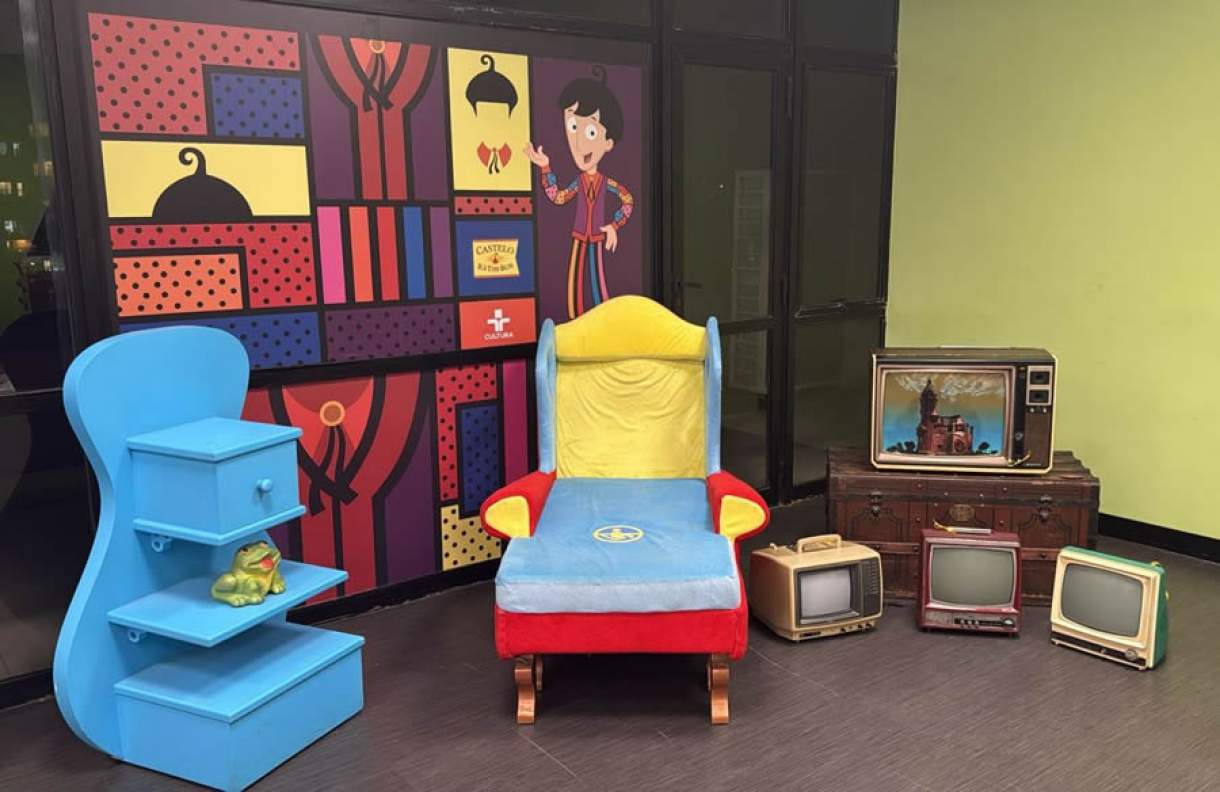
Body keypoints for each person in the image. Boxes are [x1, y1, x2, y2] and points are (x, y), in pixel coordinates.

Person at [525, 66, 634, 318]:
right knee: (574, 284)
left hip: (596, 236)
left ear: (608, 143)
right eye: (573, 127)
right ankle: (575, 324)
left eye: (591, 132)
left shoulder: (607, 183)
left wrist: (614, 225)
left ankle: (603, 324)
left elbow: (627, 199)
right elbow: (558, 197)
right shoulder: (578, 182)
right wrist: (545, 167)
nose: (579, 142)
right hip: (578, 236)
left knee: (598, 284)